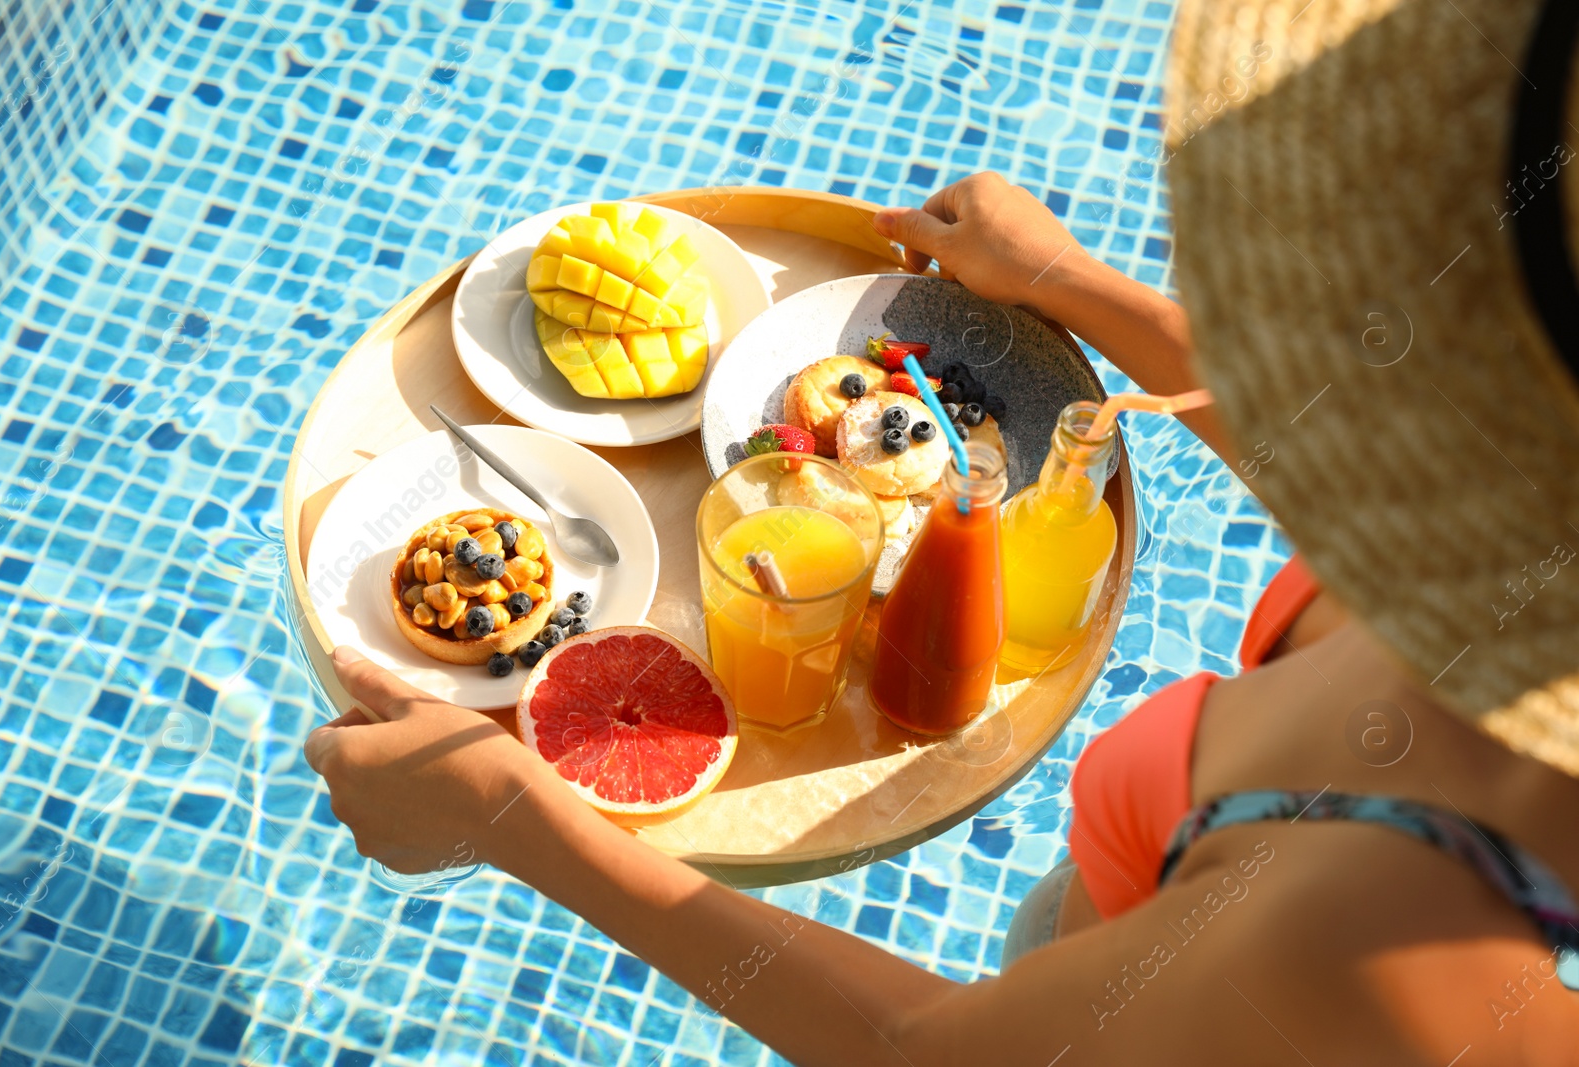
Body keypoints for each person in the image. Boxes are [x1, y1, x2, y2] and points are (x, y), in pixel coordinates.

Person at [305, 0, 1579, 1062]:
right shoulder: (1515, 538)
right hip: (1109, 921)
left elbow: (924, 1049)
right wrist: (1065, 284)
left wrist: (513, 822)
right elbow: (1364, 460)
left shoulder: (1382, 933)